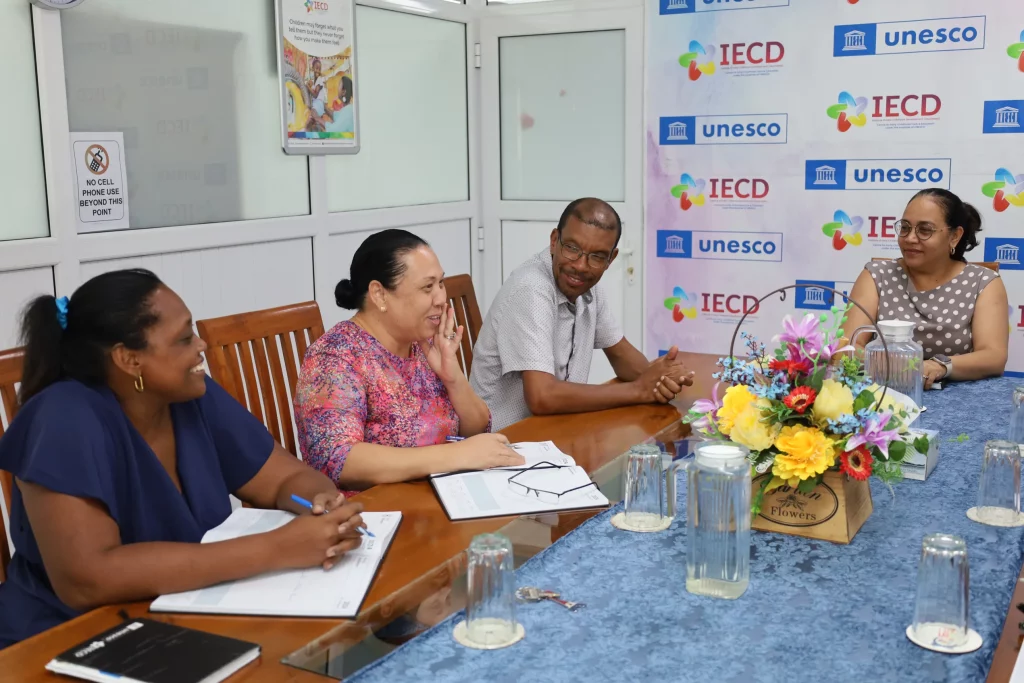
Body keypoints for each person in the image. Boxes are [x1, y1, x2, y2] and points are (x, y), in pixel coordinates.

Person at [0, 270, 365, 649]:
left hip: (183, 613)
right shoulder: (63, 418)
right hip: (67, 638)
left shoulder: (188, 395)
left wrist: (321, 501)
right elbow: (88, 579)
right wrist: (277, 548)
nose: (202, 345)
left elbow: (283, 478)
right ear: (129, 359)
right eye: (184, 338)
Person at [294, 230, 524, 491]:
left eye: (440, 283)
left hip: (444, 494)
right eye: (427, 287)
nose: (441, 298)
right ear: (379, 294)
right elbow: (336, 459)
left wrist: (453, 378)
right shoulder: (336, 355)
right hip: (377, 507)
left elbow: (478, 430)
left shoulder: (421, 343)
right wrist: (454, 456)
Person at [470, 198, 694, 430]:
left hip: (555, 429)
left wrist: (661, 377)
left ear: (611, 259)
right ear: (554, 241)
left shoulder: (587, 287)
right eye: (572, 248)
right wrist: (639, 390)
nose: (581, 266)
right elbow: (541, 396)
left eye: (597, 256)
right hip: (503, 439)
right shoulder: (531, 289)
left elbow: (621, 355)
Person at [842, 188, 1009, 389]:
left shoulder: (983, 282)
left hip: (960, 398)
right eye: (905, 228)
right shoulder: (877, 275)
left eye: (925, 230)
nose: (910, 238)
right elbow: (847, 347)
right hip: (884, 393)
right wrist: (905, 370)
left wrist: (940, 366)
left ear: (955, 236)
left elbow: (993, 356)